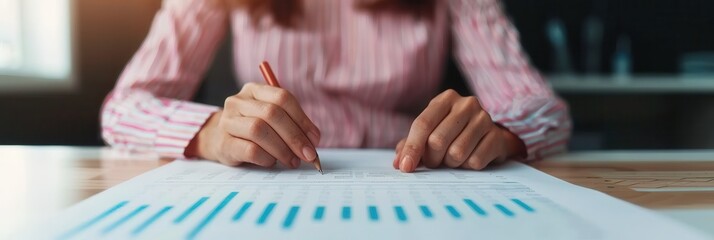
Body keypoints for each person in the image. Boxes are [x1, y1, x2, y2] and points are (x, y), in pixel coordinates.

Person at [101, 0, 571, 173]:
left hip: (411, 186)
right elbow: (124, 107)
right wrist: (210, 132)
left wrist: (502, 134)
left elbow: (542, 109)